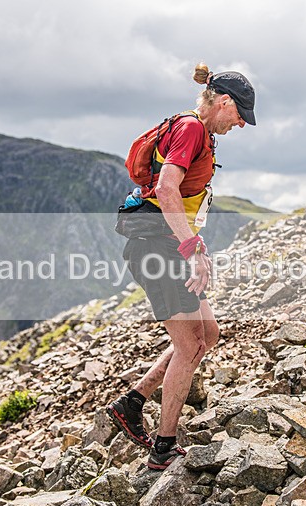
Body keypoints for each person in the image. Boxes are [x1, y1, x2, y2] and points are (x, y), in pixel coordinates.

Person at [107, 64, 255, 470]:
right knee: (190, 344)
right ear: (224, 102)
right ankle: (164, 446)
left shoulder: (198, 132)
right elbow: (167, 188)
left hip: (166, 242)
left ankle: (133, 402)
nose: (241, 125)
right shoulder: (191, 129)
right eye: (240, 115)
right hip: (159, 248)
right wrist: (191, 248)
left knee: (208, 333)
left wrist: (192, 243)